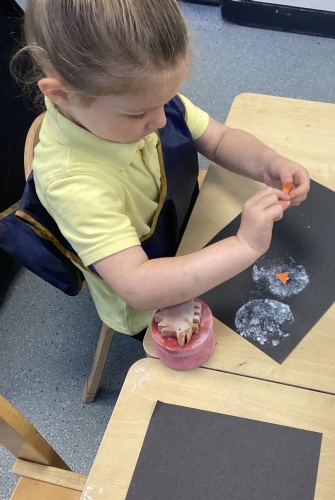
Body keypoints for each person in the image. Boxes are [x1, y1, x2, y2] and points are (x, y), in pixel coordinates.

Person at [17, 0, 310, 337]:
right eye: (137, 114)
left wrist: (267, 162)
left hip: (192, 232)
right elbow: (138, 285)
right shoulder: (71, 184)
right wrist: (245, 245)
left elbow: (218, 139)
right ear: (62, 95)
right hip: (154, 302)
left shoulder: (137, 97)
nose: (159, 120)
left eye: (166, 100)